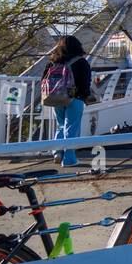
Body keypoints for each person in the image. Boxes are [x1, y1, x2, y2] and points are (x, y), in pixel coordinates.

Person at [42, 35, 92, 167]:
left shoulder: (52, 62)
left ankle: (57, 152)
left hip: (56, 98)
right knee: (72, 128)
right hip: (74, 99)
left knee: (61, 125)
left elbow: (43, 80)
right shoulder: (81, 62)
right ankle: (69, 159)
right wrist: (85, 96)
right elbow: (85, 83)